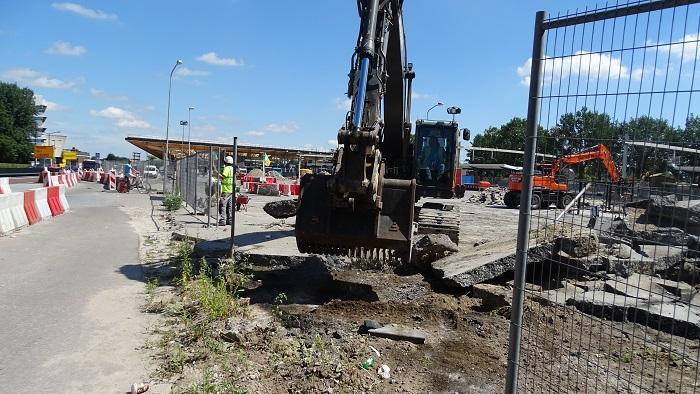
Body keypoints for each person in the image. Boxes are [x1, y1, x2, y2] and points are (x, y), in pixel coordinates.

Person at [214, 156, 235, 225]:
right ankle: (230, 220)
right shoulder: (232, 168)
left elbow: (223, 177)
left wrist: (216, 173)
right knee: (230, 206)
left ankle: (222, 220)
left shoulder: (227, 168)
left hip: (226, 190)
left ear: (225, 162)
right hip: (231, 190)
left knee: (222, 205)